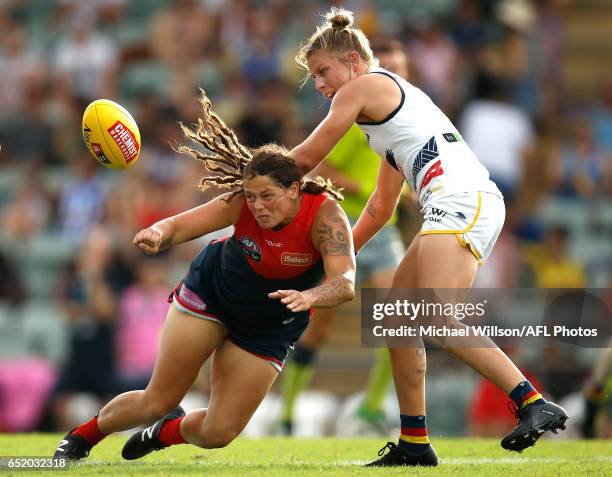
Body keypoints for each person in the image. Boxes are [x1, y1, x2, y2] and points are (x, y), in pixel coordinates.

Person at [288, 7, 568, 467]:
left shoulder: (364, 86)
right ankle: (414, 443)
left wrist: (251, 177)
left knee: (436, 318)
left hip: (461, 199)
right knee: (400, 321)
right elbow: (379, 209)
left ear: (354, 63)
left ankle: (532, 401)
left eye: (323, 71)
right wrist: (338, 260)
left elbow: (307, 156)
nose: (319, 85)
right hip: (453, 203)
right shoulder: (389, 124)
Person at [53, 94, 356, 461]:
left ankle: (165, 433)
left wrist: (310, 297)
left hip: (269, 323)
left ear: (294, 189)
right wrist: (158, 232)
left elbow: (345, 283)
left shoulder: (326, 218)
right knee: (158, 399)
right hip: (213, 294)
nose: (258, 206)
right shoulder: (241, 203)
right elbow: (181, 224)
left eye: (268, 196)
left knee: (218, 433)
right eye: (251, 196)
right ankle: (81, 438)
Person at [278, 39, 410, 436]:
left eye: (399, 68)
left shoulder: (399, 116)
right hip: (344, 228)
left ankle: (371, 407)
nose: (393, 75)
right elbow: (324, 167)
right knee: (317, 329)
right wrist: (359, 187)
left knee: (400, 320)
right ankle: (286, 413)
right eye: (387, 66)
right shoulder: (358, 116)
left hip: (382, 233)